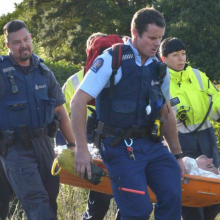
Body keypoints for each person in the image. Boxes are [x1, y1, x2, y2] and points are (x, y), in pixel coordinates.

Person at [71, 7, 185, 220]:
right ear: (135, 32)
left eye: (159, 38)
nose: (156, 44)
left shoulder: (159, 69)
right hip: (118, 147)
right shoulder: (111, 60)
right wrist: (81, 150)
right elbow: (78, 101)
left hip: (151, 145)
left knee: (172, 195)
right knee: (139, 210)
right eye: (151, 38)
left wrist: (177, 155)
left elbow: (167, 114)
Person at [0, 19, 75, 220]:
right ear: (8, 45)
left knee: (50, 201)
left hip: (44, 145)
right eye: (16, 42)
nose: (23, 45)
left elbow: (60, 110)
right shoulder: (1, 72)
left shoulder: (44, 71)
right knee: (38, 205)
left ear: (31, 38)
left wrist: (73, 144)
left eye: (26, 39)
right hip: (15, 149)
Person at [55, 32, 121, 220]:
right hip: (89, 142)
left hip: (100, 140)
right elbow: (61, 116)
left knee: (112, 197)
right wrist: (70, 147)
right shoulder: (75, 81)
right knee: (102, 197)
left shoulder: (77, 80)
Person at [160, 37, 220, 220]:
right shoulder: (160, 80)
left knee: (214, 190)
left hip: (206, 136)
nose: (181, 58)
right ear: (164, 58)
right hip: (179, 140)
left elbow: (216, 100)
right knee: (189, 194)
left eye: (183, 54)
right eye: (175, 55)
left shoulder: (197, 75)